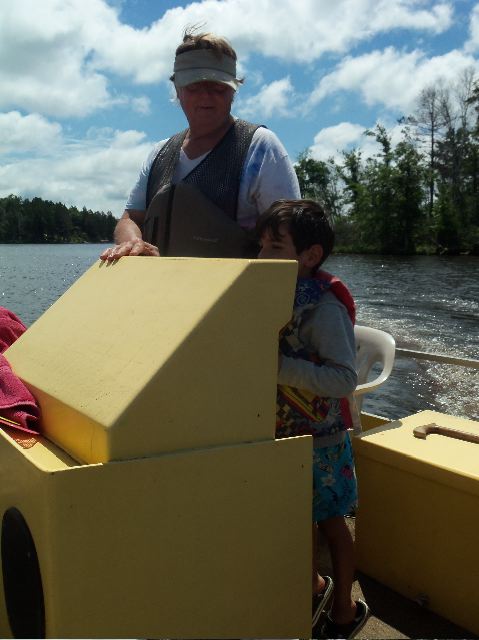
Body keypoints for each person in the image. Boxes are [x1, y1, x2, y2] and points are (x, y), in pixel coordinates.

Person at [256, 199, 369, 639]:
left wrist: (279, 368)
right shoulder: (268, 299)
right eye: (261, 245)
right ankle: (313, 588)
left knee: (332, 524)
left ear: (310, 255)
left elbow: (344, 379)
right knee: (297, 519)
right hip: (284, 436)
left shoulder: (324, 308)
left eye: (275, 247)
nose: (262, 256)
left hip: (323, 442)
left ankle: (345, 609)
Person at [101, 29, 300, 262]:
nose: (206, 96)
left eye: (218, 87)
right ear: (178, 89)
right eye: (194, 85)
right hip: (161, 284)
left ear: (234, 90)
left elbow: (292, 238)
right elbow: (130, 218)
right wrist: (132, 242)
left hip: (239, 285)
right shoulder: (158, 154)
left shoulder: (261, 148)